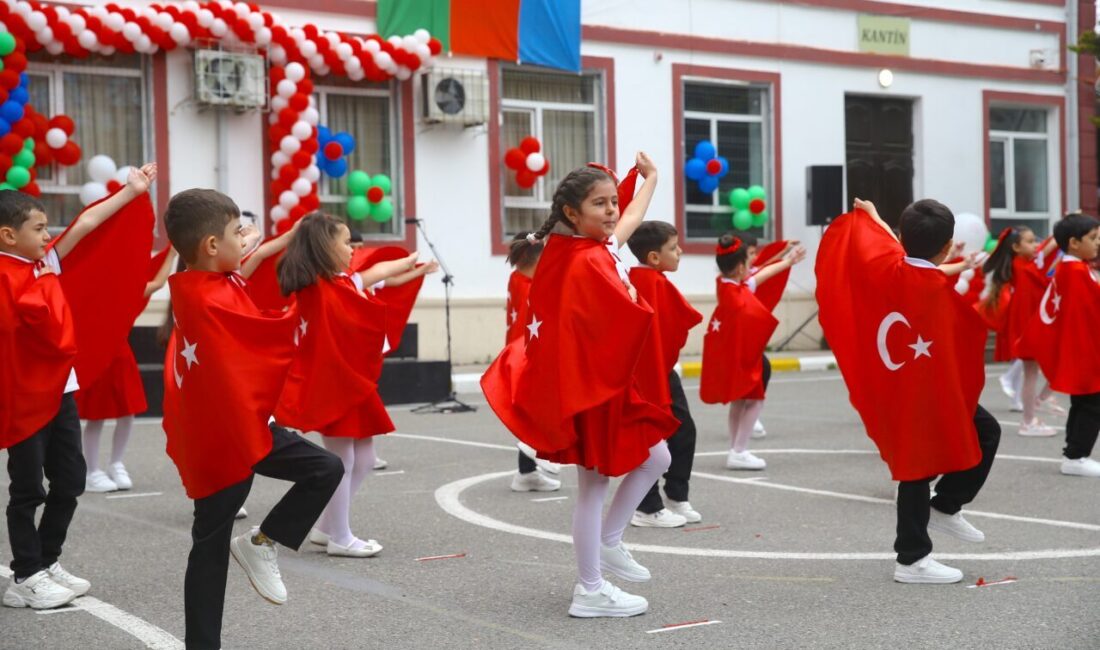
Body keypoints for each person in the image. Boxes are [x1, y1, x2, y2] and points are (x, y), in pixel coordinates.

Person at [482, 154, 678, 618]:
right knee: (593, 487)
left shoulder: (591, 247)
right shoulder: (584, 259)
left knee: (657, 456)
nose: (612, 210)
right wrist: (633, 298)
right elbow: (615, 317)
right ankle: (590, 589)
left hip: (599, 383)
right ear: (573, 213)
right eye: (600, 204)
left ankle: (608, 544)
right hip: (591, 387)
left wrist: (652, 178)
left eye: (612, 201)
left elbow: (630, 218)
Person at [161, 189, 344, 649]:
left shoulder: (212, 279)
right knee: (209, 549)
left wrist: (271, 238)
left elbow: (250, 253)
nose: (243, 241)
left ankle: (261, 542)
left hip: (238, 428)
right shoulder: (206, 299)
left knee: (324, 469)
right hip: (226, 437)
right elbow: (261, 340)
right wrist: (299, 314)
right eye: (234, 233)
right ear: (209, 247)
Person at [817, 198, 1001, 584]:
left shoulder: (889, 268)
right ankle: (912, 559)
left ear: (902, 237)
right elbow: (966, 324)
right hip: (926, 391)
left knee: (975, 435)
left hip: (905, 386)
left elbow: (891, 246)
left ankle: (946, 507)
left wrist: (872, 216)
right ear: (948, 245)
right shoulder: (935, 289)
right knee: (919, 468)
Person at [1, 164, 157, 609]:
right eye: (38, 227)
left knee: (69, 481)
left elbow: (87, 223)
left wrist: (131, 191)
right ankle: (25, 575)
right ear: (8, 236)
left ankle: (46, 562)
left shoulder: (44, 260)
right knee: (28, 489)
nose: (47, 234)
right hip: (21, 397)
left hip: (60, 392)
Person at [274, 212, 437, 557]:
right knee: (343, 460)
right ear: (324, 245)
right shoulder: (314, 286)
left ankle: (327, 527)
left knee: (364, 459)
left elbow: (376, 274)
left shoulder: (342, 282)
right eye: (346, 242)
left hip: (349, 381)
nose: (353, 249)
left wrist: (410, 265)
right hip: (331, 384)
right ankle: (341, 537)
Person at [700, 233, 805, 470]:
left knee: (738, 401)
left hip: (731, 352)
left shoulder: (726, 284)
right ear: (739, 267)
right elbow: (756, 286)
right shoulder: (738, 298)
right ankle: (739, 450)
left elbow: (759, 275)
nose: (753, 266)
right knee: (755, 401)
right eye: (748, 263)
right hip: (742, 354)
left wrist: (787, 262)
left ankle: (736, 448)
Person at [81, 247, 177, 492]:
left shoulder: (123, 293)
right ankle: (91, 471)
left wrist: (172, 253)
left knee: (128, 412)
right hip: (97, 359)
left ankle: (116, 463)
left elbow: (156, 283)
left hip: (122, 359)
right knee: (96, 417)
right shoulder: (89, 295)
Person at [626, 221, 702, 527]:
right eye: (673, 247)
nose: (680, 251)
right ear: (655, 257)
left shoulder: (648, 279)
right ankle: (647, 506)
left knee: (681, 430)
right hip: (647, 372)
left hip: (659, 369)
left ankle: (675, 495)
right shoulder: (649, 282)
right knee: (653, 437)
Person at [1016, 213, 1100, 477]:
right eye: (1093, 238)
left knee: (1083, 404)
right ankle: (1076, 456)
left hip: (1083, 348)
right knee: (1090, 406)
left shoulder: (1072, 267)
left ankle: (1073, 453)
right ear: (1074, 243)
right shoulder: (1075, 272)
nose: (1098, 243)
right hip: (1085, 349)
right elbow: (1085, 315)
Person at [979, 226, 1061, 436]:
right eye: (1030, 241)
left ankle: (1034, 408)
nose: (1035, 245)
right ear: (1016, 247)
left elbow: (1045, 252)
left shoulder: (1024, 265)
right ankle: (1029, 418)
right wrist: (1062, 232)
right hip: (1027, 327)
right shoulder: (1024, 267)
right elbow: (1045, 250)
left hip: (1030, 325)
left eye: (1035, 241)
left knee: (1035, 372)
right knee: (1033, 373)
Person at [503, 231, 562, 492]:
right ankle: (537, 448)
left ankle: (526, 472)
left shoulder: (517, 278)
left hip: (521, 353)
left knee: (532, 410)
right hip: (528, 354)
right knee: (541, 407)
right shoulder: (530, 286)